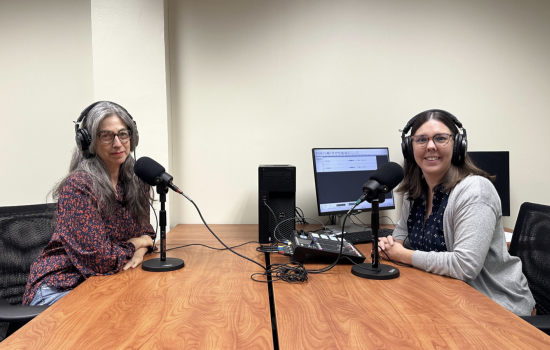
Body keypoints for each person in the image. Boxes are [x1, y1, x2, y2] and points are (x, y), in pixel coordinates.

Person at [378, 109, 535, 316]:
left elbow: (464, 266)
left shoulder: (475, 191)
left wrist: (402, 255)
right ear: (409, 147)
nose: (430, 146)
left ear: (458, 144)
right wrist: (391, 246)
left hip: (497, 306)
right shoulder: (415, 191)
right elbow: (400, 235)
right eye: (421, 139)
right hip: (446, 297)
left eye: (441, 138)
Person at [22, 101, 155, 306]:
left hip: (103, 281)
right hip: (60, 286)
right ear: (88, 141)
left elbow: (148, 233)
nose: (118, 143)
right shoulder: (79, 187)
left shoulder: (137, 181)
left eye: (123, 133)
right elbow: (100, 261)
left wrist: (141, 249)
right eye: (106, 135)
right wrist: (137, 243)